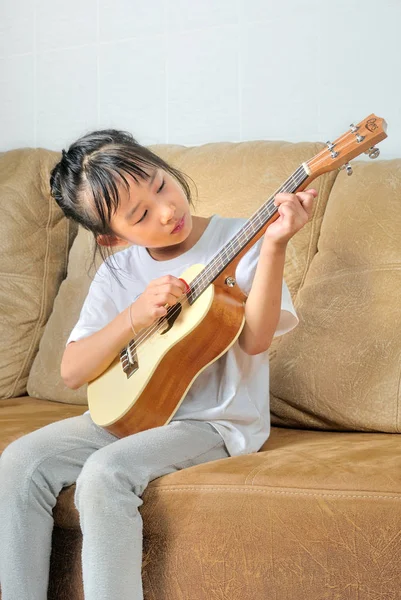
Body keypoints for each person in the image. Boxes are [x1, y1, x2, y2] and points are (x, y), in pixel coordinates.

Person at [0, 129, 316, 600]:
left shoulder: (243, 237)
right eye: (141, 214)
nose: (167, 210)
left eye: (161, 185)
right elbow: (72, 370)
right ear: (111, 235)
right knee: (19, 462)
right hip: (130, 413)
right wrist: (132, 317)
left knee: (106, 474)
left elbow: (253, 341)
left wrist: (275, 246)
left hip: (211, 421)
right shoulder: (119, 271)